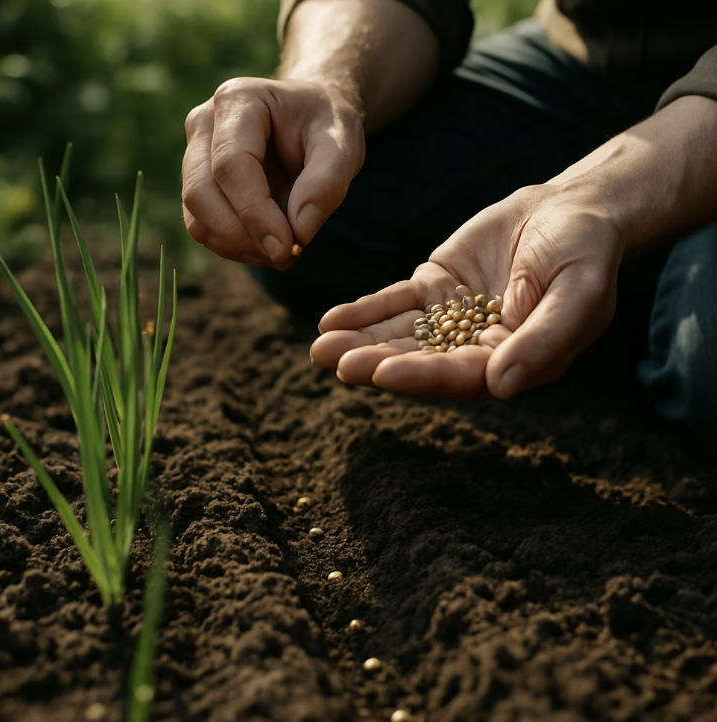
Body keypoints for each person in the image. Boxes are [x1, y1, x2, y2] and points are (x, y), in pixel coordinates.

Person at [182, 0, 717, 447]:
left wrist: (602, 199)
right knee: (303, 208)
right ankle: (628, 281)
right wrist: (326, 79)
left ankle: (639, 281)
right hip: (594, 55)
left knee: (706, 362)